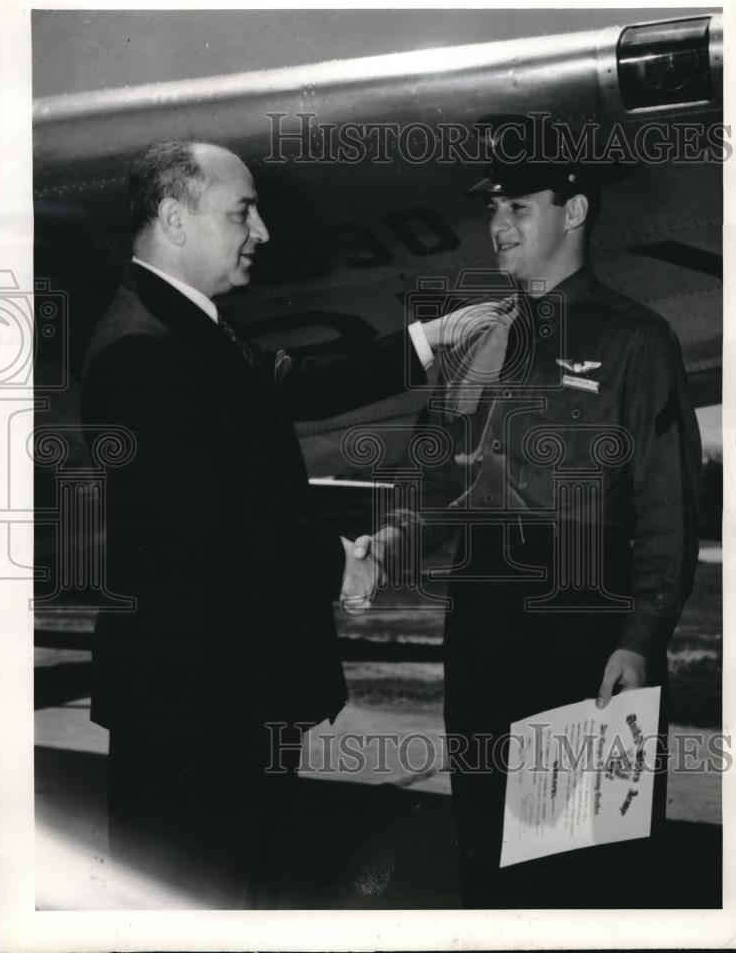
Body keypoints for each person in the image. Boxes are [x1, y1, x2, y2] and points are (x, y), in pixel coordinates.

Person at [80, 139, 495, 906]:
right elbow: (206, 526)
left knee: (237, 891)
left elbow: (292, 382)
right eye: (242, 212)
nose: (262, 231)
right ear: (174, 219)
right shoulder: (143, 349)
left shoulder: (185, 326)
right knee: (193, 899)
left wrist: (431, 339)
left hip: (224, 697)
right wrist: (344, 565)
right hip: (195, 713)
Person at [358, 114, 702, 907]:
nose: (497, 225)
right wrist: (386, 546)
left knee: (580, 860)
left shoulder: (637, 341)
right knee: (487, 858)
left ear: (574, 211)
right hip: (481, 626)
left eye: (518, 207)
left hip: (582, 624)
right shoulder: (472, 337)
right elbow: (434, 489)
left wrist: (641, 638)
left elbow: (666, 509)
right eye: (492, 209)